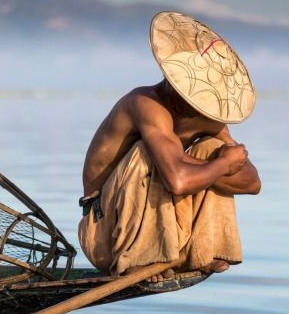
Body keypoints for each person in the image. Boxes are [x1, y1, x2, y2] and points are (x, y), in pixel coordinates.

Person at [78, 11, 261, 283]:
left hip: (169, 235)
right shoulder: (145, 103)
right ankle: (141, 257)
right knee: (148, 153)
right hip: (106, 233)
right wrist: (221, 165)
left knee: (211, 149)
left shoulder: (209, 119)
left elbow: (253, 184)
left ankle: (203, 250)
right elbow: (176, 181)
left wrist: (215, 162)